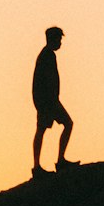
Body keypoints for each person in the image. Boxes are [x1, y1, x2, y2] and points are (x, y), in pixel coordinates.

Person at [32, 26, 76, 177]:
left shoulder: (47, 55)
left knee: (45, 129)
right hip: (47, 101)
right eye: (59, 39)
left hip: (48, 100)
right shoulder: (47, 56)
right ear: (53, 39)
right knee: (63, 125)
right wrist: (44, 102)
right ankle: (41, 165)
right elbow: (42, 81)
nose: (60, 43)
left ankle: (55, 161)